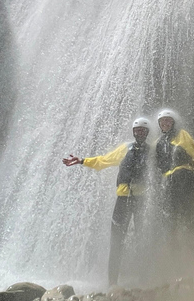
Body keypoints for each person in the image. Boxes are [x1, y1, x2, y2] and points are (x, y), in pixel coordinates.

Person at [63, 117, 151, 286]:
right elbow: (103, 161)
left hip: (141, 201)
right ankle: (112, 284)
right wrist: (82, 161)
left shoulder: (152, 150)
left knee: (142, 240)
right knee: (116, 242)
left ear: (147, 133)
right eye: (138, 130)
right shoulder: (125, 149)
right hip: (123, 200)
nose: (140, 132)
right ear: (134, 132)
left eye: (143, 130)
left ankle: (144, 282)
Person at [154, 109, 194, 246]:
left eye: (168, 120)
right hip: (168, 182)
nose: (165, 123)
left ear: (173, 122)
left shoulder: (181, 135)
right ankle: (174, 249)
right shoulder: (158, 142)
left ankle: (192, 247)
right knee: (171, 216)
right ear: (159, 124)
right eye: (162, 121)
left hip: (184, 177)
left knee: (188, 213)